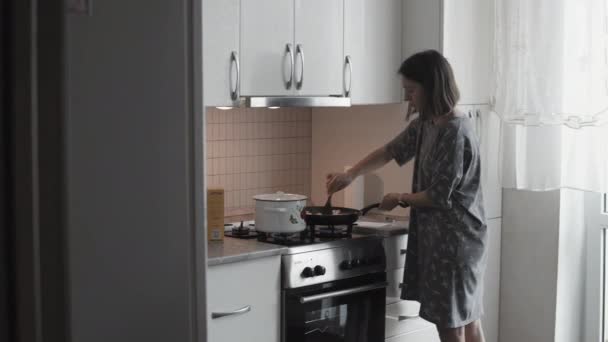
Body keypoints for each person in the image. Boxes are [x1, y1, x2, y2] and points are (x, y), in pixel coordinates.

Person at [326, 50, 487, 342]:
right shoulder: (427, 124)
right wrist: (352, 174)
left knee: (452, 324)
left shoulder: (455, 131)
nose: (409, 98)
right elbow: (390, 151)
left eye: (412, 91)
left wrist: (400, 197)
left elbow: (439, 196)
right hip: (445, 240)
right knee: (466, 319)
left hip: (455, 243)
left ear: (432, 86)